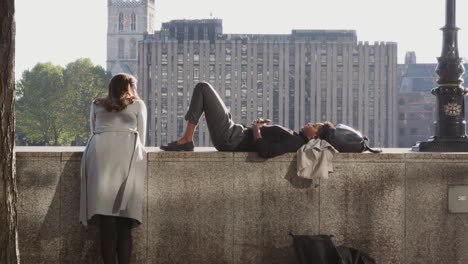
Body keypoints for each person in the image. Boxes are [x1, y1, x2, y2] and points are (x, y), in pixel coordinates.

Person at [161, 82, 333, 158]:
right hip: (234, 132)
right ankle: (186, 139)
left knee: (203, 88)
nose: (310, 124)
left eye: (314, 126)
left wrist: (257, 130)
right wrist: (258, 127)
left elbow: (265, 151)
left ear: (314, 137)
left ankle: (186, 140)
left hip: (231, 138)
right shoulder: (295, 136)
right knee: (207, 93)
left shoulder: (295, 142)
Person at [80, 73, 147, 264]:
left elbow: (93, 130)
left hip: (99, 155)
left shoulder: (96, 104)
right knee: (125, 219)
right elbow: (141, 137)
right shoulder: (138, 105)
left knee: (106, 221)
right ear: (131, 87)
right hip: (126, 154)